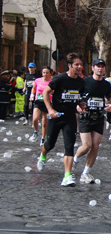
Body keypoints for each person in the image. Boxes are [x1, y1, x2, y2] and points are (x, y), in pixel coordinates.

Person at [36, 53, 86, 187]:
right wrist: (50, 110)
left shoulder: (81, 82)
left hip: (70, 117)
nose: (80, 67)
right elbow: (45, 92)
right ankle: (42, 156)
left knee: (69, 147)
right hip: (56, 116)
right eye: (77, 65)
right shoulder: (59, 78)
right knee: (49, 144)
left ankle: (67, 176)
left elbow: (79, 98)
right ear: (70, 66)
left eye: (81, 64)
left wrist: (81, 105)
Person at [73, 59, 111, 183]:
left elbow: (110, 99)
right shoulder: (85, 82)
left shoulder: (106, 84)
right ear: (93, 68)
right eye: (98, 66)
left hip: (98, 117)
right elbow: (76, 97)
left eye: (102, 67)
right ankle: (75, 159)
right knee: (86, 146)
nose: (100, 69)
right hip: (86, 117)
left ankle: (86, 173)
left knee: (95, 146)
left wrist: (110, 106)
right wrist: (78, 107)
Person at [29, 67, 52, 144]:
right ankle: (35, 131)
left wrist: (51, 93)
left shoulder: (52, 81)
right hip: (38, 101)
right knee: (35, 118)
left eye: (47, 73)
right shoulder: (37, 80)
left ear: (50, 73)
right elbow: (34, 88)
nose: (45, 74)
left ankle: (43, 138)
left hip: (47, 102)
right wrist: (32, 95)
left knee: (44, 122)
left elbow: (54, 91)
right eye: (44, 72)